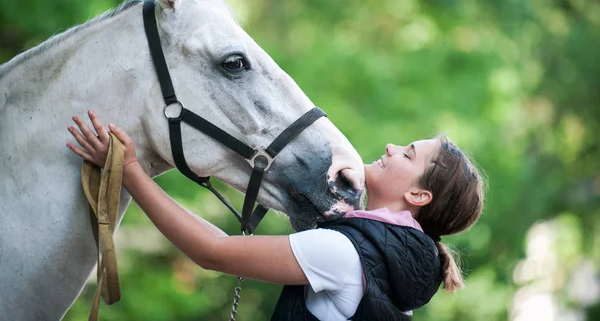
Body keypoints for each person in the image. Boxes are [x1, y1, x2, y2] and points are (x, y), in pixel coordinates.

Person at [67, 110, 485, 321]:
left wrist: (132, 172)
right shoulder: (396, 261)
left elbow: (213, 252)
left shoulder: (343, 253)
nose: (392, 148)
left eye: (408, 155)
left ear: (417, 194)